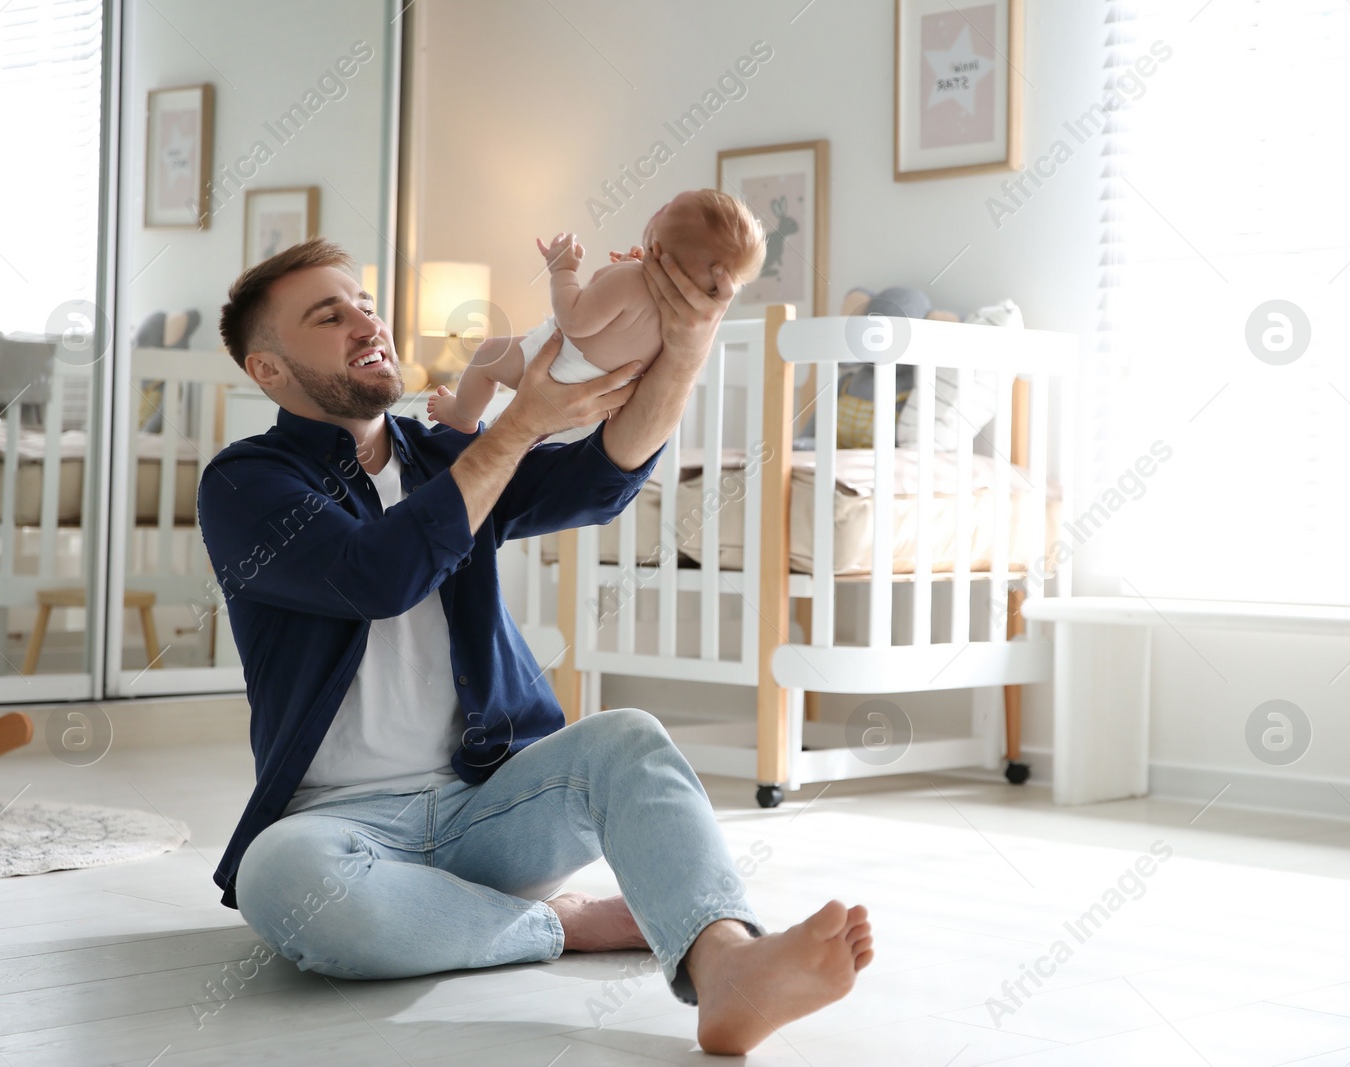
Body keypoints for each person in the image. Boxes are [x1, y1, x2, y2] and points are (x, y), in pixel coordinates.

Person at [197, 228, 872, 1056]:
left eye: (367, 305)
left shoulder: (446, 453)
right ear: (266, 368)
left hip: (494, 807)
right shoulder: (243, 483)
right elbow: (375, 574)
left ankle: (727, 964)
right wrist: (515, 427)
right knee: (281, 881)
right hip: (343, 827)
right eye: (329, 316)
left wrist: (690, 340)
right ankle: (566, 923)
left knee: (627, 739)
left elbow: (598, 479)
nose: (367, 324)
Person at [426, 189, 765, 433]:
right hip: (600, 390)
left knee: (486, 354)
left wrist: (563, 270)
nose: (663, 204)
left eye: (670, 207)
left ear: (662, 247)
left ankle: (462, 416)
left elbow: (574, 319)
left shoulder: (630, 278)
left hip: (563, 366)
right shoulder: (677, 315)